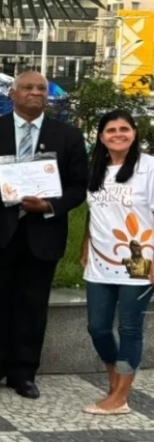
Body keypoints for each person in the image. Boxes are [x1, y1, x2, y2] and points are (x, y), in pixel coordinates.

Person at [0, 71, 88, 399]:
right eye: (27, 87)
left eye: (41, 88)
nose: (35, 92)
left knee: (32, 307)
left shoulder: (68, 135)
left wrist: (50, 205)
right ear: (13, 94)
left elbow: (79, 187)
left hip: (43, 233)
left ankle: (23, 373)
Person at [79, 110, 154, 415]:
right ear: (101, 137)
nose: (118, 134)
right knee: (97, 327)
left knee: (130, 328)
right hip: (100, 262)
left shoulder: (148, 167)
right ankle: (114, 378)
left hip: (139, 261)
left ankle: (121, 396)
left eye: (125, 129)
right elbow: (93, 212)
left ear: (134, 133)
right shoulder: (95, 169)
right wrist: (84, 245)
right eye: (111, 130)